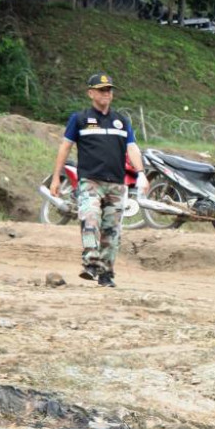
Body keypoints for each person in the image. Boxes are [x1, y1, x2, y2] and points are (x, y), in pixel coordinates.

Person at [49, 72, 147, 288]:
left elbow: (132, 148)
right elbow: (65, 147)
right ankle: (91, 263)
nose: (106, 93)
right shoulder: (80, 119)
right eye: (101, 90)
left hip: (116, 184)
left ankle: (106, 274)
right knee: (89, 221)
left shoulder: (121, 121)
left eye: (109, 90)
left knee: (112, 231)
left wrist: (141, 174)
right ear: (91, 93)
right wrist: (56, 177)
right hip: (90, 181)